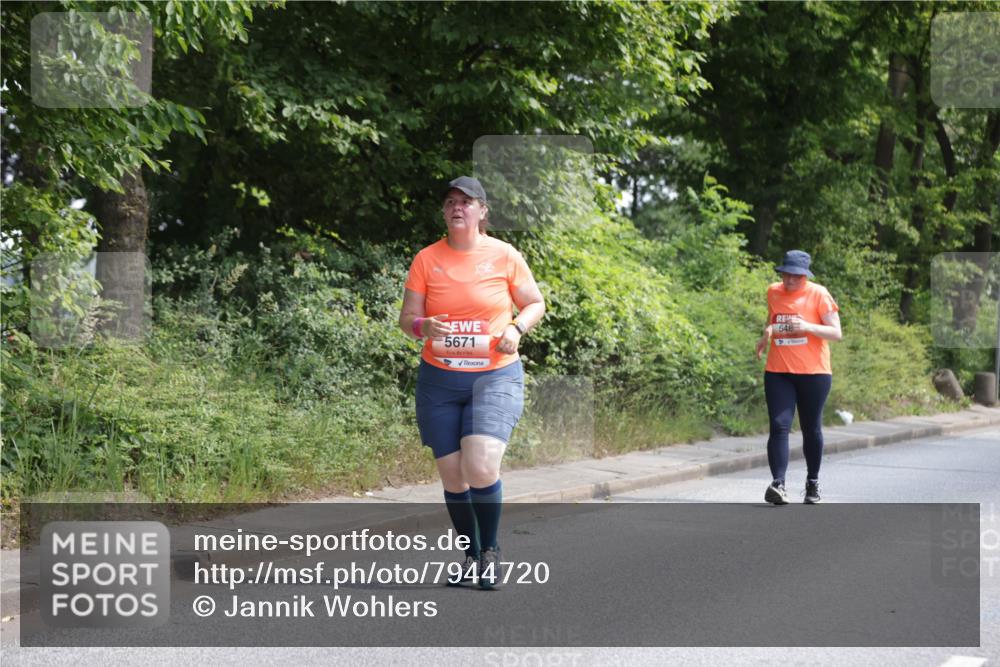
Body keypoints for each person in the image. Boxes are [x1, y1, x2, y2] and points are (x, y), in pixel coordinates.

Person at [399, 176, 545, 588]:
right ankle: (471, 551)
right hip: (440, 382)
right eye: (450, 202)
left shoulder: (504, 255)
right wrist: (424, 325)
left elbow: (535, 302)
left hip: (494, 375)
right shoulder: (427, 259)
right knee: (452, 475)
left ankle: (492, 550)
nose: (457, 207)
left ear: (482, 211)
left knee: (480, 464)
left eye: (467, 202)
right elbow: (407, 321)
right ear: (444, 212)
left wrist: (516, 329)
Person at [754, 250, 842, 505]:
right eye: (786, 275)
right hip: (778, 371)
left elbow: (836, 333)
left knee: (810, 428)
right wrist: (766, 333)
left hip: (814, 373)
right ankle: (778, 484)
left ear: (805, 276)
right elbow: (775, 320)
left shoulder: (819, 293)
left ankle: (812, 482)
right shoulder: (773, 291)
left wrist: (807, 327)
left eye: (796, 276)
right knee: (779, 425)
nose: (790, 280)